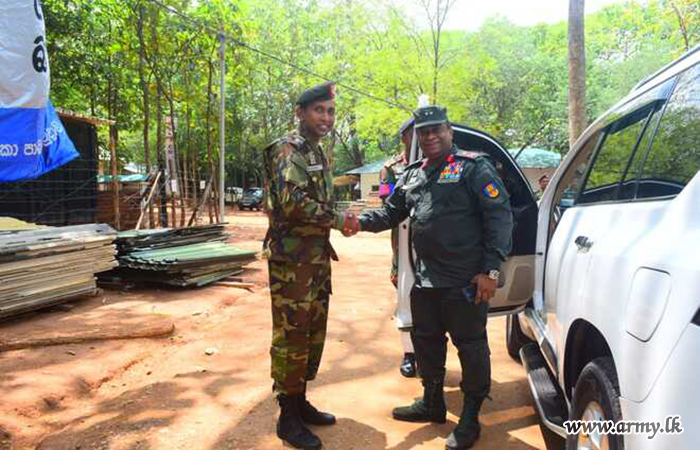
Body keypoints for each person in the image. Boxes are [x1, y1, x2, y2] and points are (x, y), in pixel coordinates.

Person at [345, 106, 513, 450]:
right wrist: (359, 223)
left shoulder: (473, 167)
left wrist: (491, 271)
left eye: (437, 129)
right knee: (426, 342)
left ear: (449, 131)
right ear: (418, 138)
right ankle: (432, 402)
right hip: (425, 279)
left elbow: (499, 217)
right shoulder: (412, 174)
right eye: (424, 132)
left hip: (465, 280)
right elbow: (390, 213)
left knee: (471, 347)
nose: (431, 136)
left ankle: (470, 417)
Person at [262, 81, 356, 450]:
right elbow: (293, 203)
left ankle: (299, 401)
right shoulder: (288, 149)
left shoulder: (316, 150)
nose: (326, 118)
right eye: (319, 110)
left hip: (313, 258)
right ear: (300, 112)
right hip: (292, 263)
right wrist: (338, 219)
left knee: (312, 331)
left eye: (330, 112)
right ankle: (287, 415)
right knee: (292, 335)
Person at [378, 117, 416, 378]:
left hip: (436, 249)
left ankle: (430, 354)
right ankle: (410, 354)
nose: (420, 137)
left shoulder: (440, 163)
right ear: (404, 137)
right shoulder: (390, 169)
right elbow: (388, 205)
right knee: (406, 300)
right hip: (403, 247)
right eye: (414, 133)